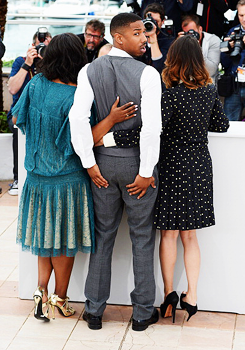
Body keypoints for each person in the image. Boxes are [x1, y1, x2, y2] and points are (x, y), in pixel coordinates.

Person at [12, 33, 137, 322]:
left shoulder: (36, 84)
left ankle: (39, 293)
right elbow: (87, 139)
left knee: (44, 238)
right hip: (68, 179)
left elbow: (19, 119)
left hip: (37, 177)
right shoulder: (77, 95)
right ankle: (60, 297)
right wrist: (112, 119)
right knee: (64, 242)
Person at [69, 12, 162, 332]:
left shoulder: (88, 70)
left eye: (144, 33)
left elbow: (77, 119)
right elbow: (152, 129)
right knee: (142, 239)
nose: (145, 38)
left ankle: (94, 311)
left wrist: (89, 164)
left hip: (103, 164)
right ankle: (142, 313)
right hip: (137, 165)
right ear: (118, 38)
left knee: (102, 237)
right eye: (137, 33)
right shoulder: (148, 74)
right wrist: (147, 171)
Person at [154, 35, 229, 323]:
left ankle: (170, 294)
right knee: (191, 236)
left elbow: (155, 131)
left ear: (173, 62)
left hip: (173, 165)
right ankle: (193, 296)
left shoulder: (170, 95)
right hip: (199, 165)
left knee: (169, 234)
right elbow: (220, 125)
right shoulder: (209, 92)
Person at [7, 28, 52, 196]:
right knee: (17, 126)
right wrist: (28, 63)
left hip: (45, 114)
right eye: (39, 46)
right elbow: (12, 89)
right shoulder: (21, 62)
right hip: (20, 115)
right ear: (32, 46)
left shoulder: (52, 64)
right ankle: (18, 177)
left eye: (46, 46)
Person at [179, 14, 220, 84]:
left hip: (207, 85)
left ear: (200, 29)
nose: (189, 36)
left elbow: (211, 70)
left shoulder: (213, 40)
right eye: (187, 33)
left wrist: (196, 48)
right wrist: (178, 46)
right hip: (186, 84)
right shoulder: (182, 42)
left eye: (192, 32)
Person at [221, 0, 245, 121]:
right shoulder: (233, 31)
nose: (244, 19)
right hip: (235, 84)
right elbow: (224, 64)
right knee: (229, 124)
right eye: (241, 15)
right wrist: (227, 49)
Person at [139, 3, 174, 74]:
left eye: (155, 21)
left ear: (163, 21)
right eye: (149, 21)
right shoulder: (139, 37)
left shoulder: (168, 39)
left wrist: (152, 37)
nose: (152, 24)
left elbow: (159, 66)